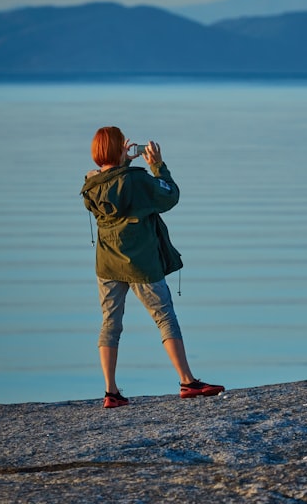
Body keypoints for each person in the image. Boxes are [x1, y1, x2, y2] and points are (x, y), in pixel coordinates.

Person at [80, 126, 224, 408]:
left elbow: (115, 186)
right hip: (142, 263)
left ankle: (111, 392)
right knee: (165, 317)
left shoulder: (91, 185)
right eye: (123, 145)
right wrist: (157, 165)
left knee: (110, 323)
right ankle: (187, 381)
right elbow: (169, 196)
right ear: (118, 149)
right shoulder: (138, 181)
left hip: (107, 264)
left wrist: (124, 164)